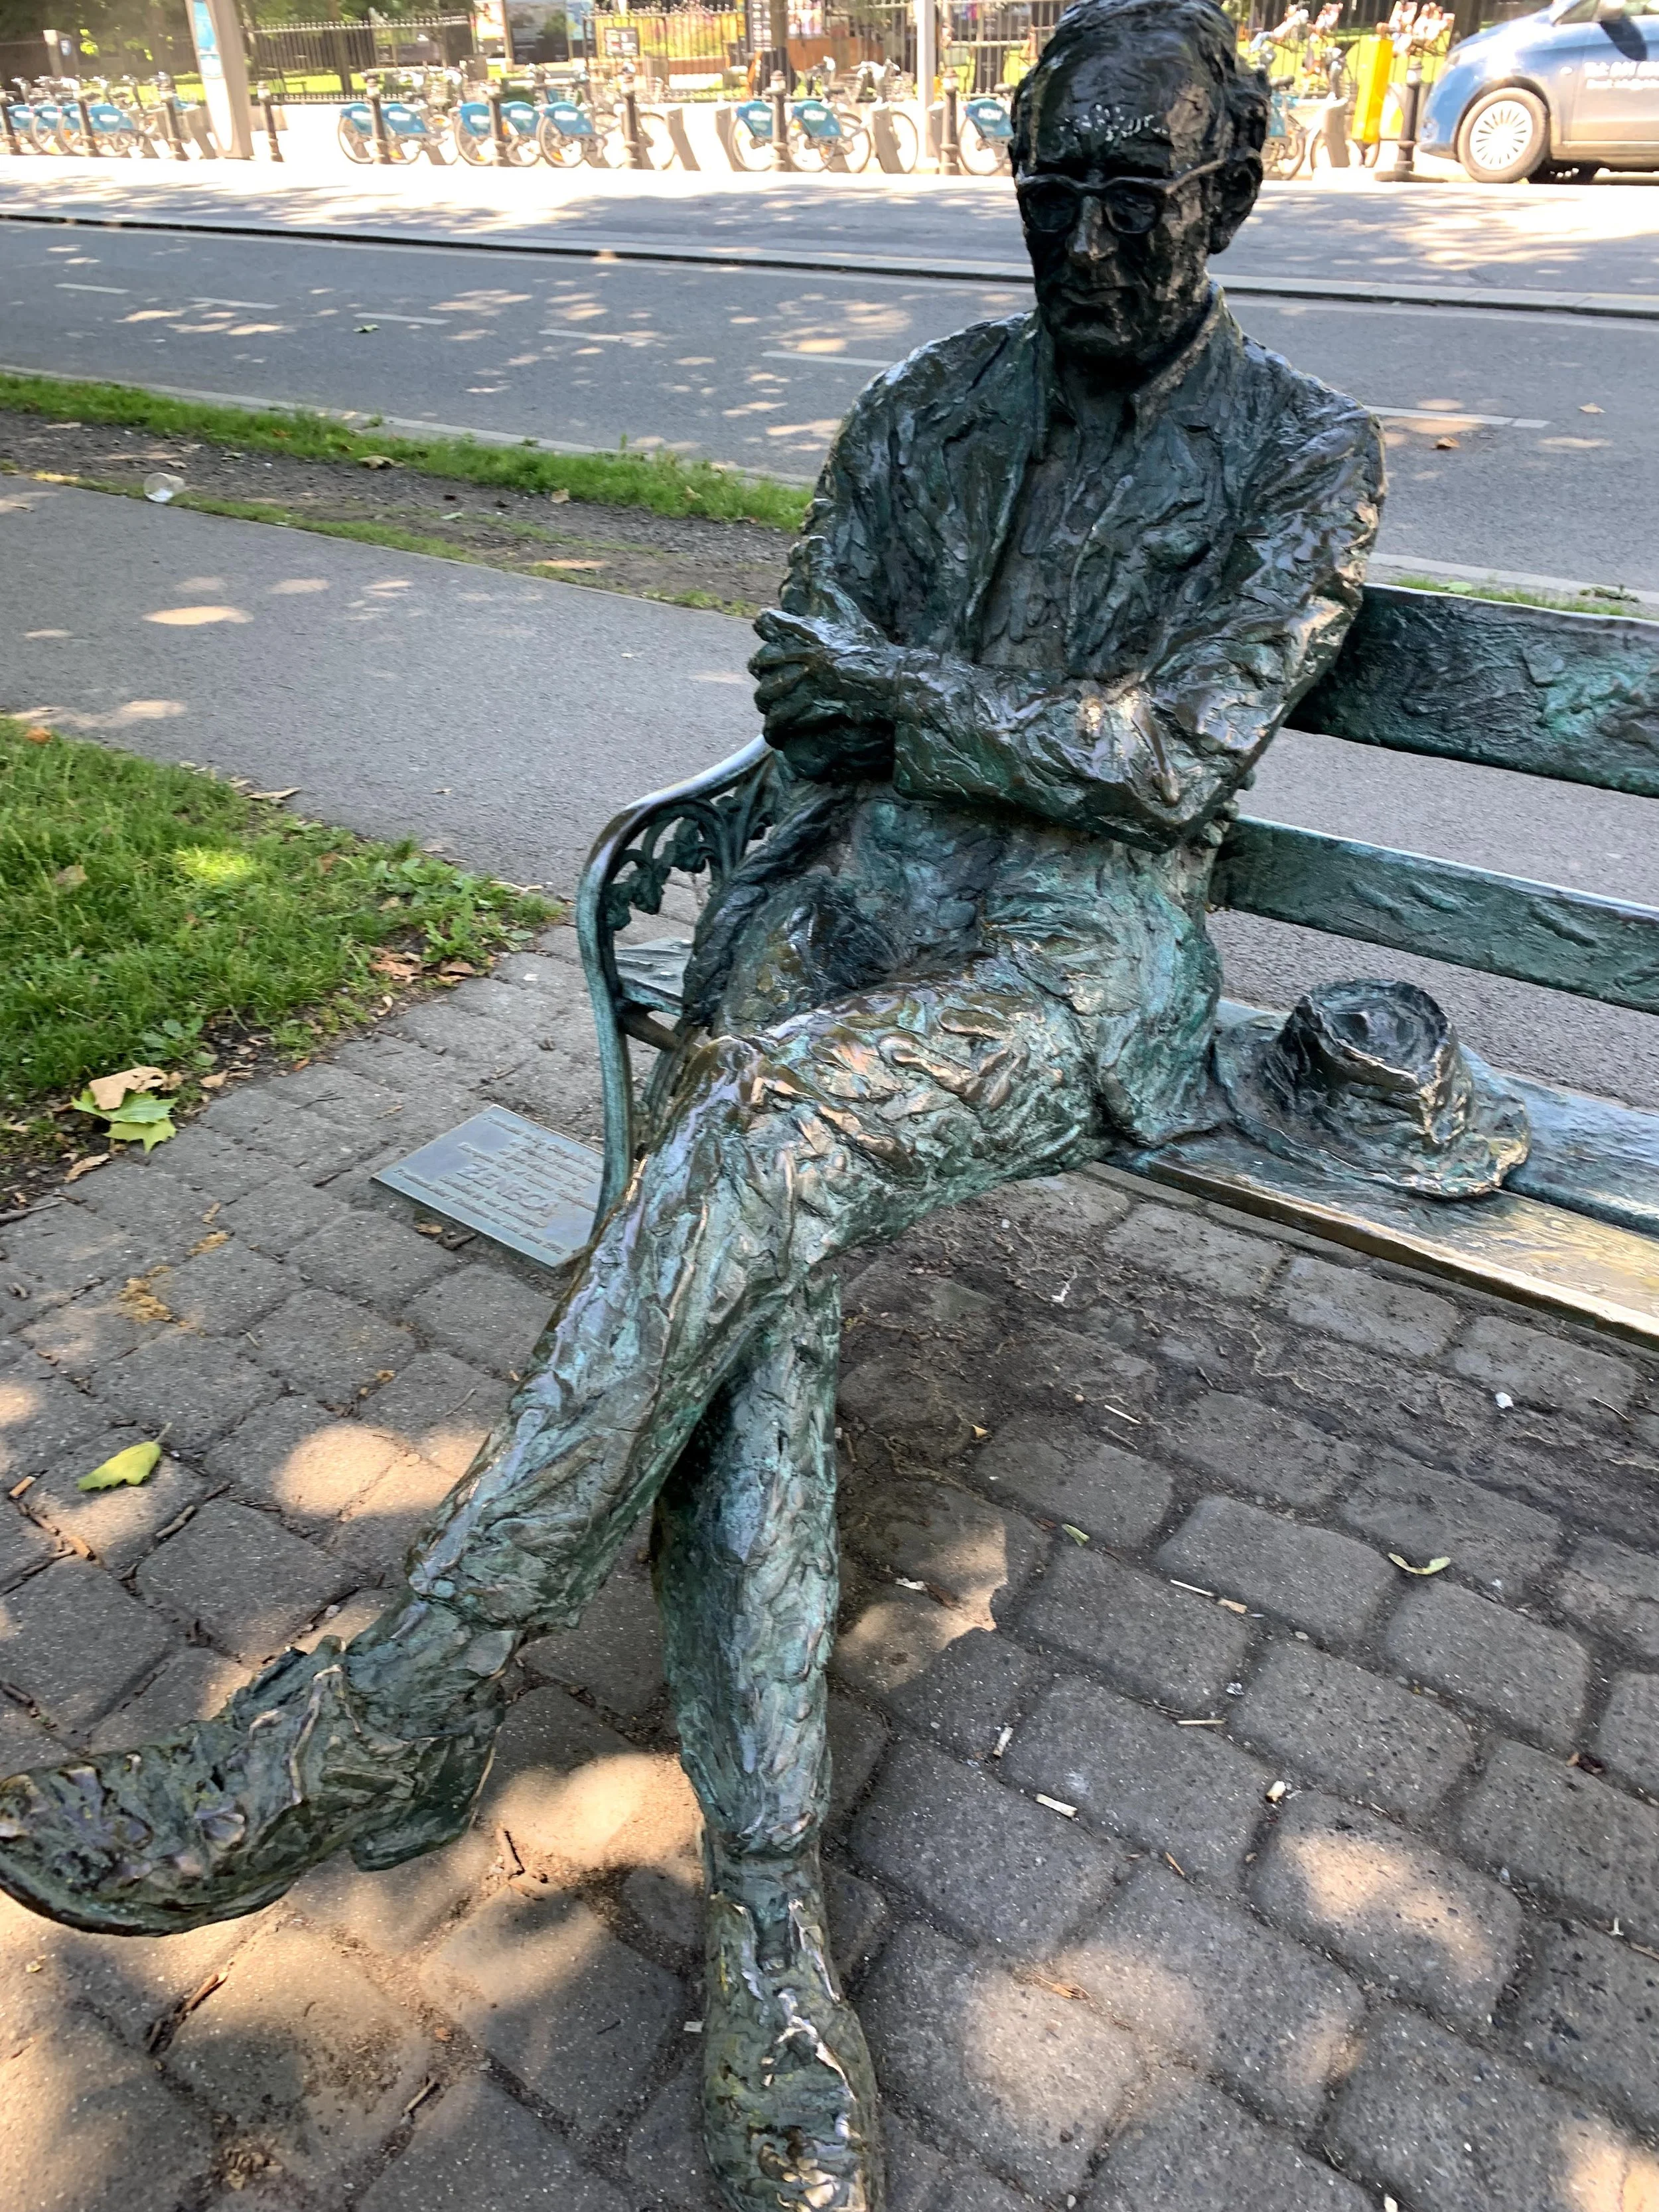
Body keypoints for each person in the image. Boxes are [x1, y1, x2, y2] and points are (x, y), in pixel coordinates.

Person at [0, 3, 1382, 2205]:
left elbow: (1161, 764)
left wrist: (919, 705)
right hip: (823, 926)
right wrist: (951, 726)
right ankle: (765, 1926)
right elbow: (794, 679)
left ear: (1229, 188)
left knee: (746, 1147)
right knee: (761, 1311)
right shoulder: (932, 406)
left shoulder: (1308, 451)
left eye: (1137, 194)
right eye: (1054, 189)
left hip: (1062, 974)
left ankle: (399, 1702)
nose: (1088, 239)